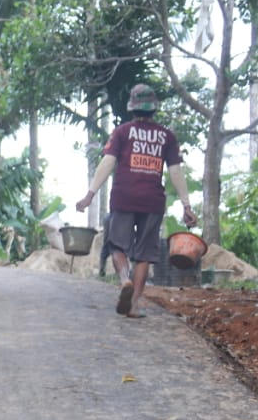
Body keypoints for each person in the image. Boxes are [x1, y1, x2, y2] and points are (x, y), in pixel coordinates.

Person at [75, 83, 197, 318]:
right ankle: (133, 305)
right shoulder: (167, 137)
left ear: (132, 108)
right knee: (144, 255)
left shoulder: (122, 132)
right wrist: (186, 205)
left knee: (117, 246)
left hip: (123, 197)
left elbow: (108, 163)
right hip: (152, 201)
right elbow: (175, 171)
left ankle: (123, 280)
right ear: (154, 109)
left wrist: (90, 195)